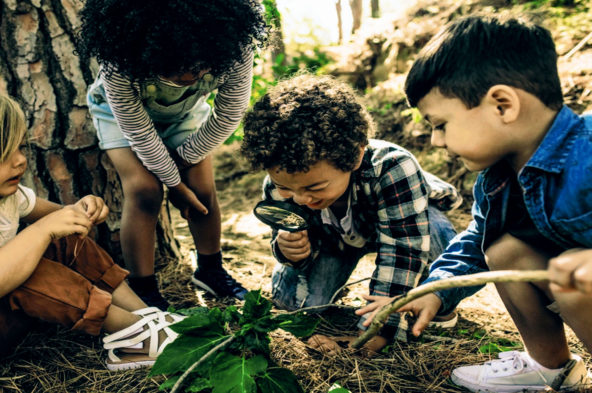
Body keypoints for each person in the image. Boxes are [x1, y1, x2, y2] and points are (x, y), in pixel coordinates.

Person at [0, 79, 183, 370]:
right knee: (25, 266)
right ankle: (132, 334)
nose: (20, 161)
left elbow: (64, 221)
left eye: (20, 147)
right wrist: (40, 231)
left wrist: (82, 209)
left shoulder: (3, 197)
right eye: (0, 154)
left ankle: (146, 316)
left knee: (61, 239)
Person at [393, 14, 592, 392]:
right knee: (503, 251)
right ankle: (551, 367)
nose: (436, 141)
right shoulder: (496, 183)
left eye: (440, 124)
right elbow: (472, 243)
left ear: (502, 105)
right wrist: (435, 290)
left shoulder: (588, 150)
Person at [240, 74, 462, 354]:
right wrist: (288, 251)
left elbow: (402, 251)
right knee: (294, 306)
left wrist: (377, 329)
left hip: (401, 225)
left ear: (355, 157)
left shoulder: (393, 168)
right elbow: (283, 233)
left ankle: (442, 305)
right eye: (286, 187)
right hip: (334, 240)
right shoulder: (282, 183)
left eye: (315, 187)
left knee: (438, 236)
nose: (300, 198)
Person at [78, 0, 268, 310]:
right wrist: (174, 186)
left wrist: (181, 168)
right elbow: (138, 132)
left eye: (198, 67)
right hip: (120, 117)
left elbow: (229, 114)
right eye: (177, 67)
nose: (189, 75)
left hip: (185, 115)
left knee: (202, 189)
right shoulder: (120, 59)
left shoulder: (235, 43)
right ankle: (144, 288)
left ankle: (211, 271)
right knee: (144, 190)